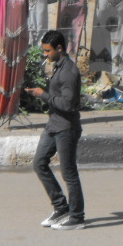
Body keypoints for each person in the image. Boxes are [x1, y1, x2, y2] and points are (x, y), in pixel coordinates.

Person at [25, 30, 85, 230]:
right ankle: (61, 207)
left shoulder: (69, 72)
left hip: (66, 128)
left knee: (68, 173)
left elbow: (68, 104)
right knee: (39, 163)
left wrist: (43, 95)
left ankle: (77, 217)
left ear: (59, 48)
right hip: (53, 125)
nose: (45, 55)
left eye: (48, 51)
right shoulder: (59, 67)